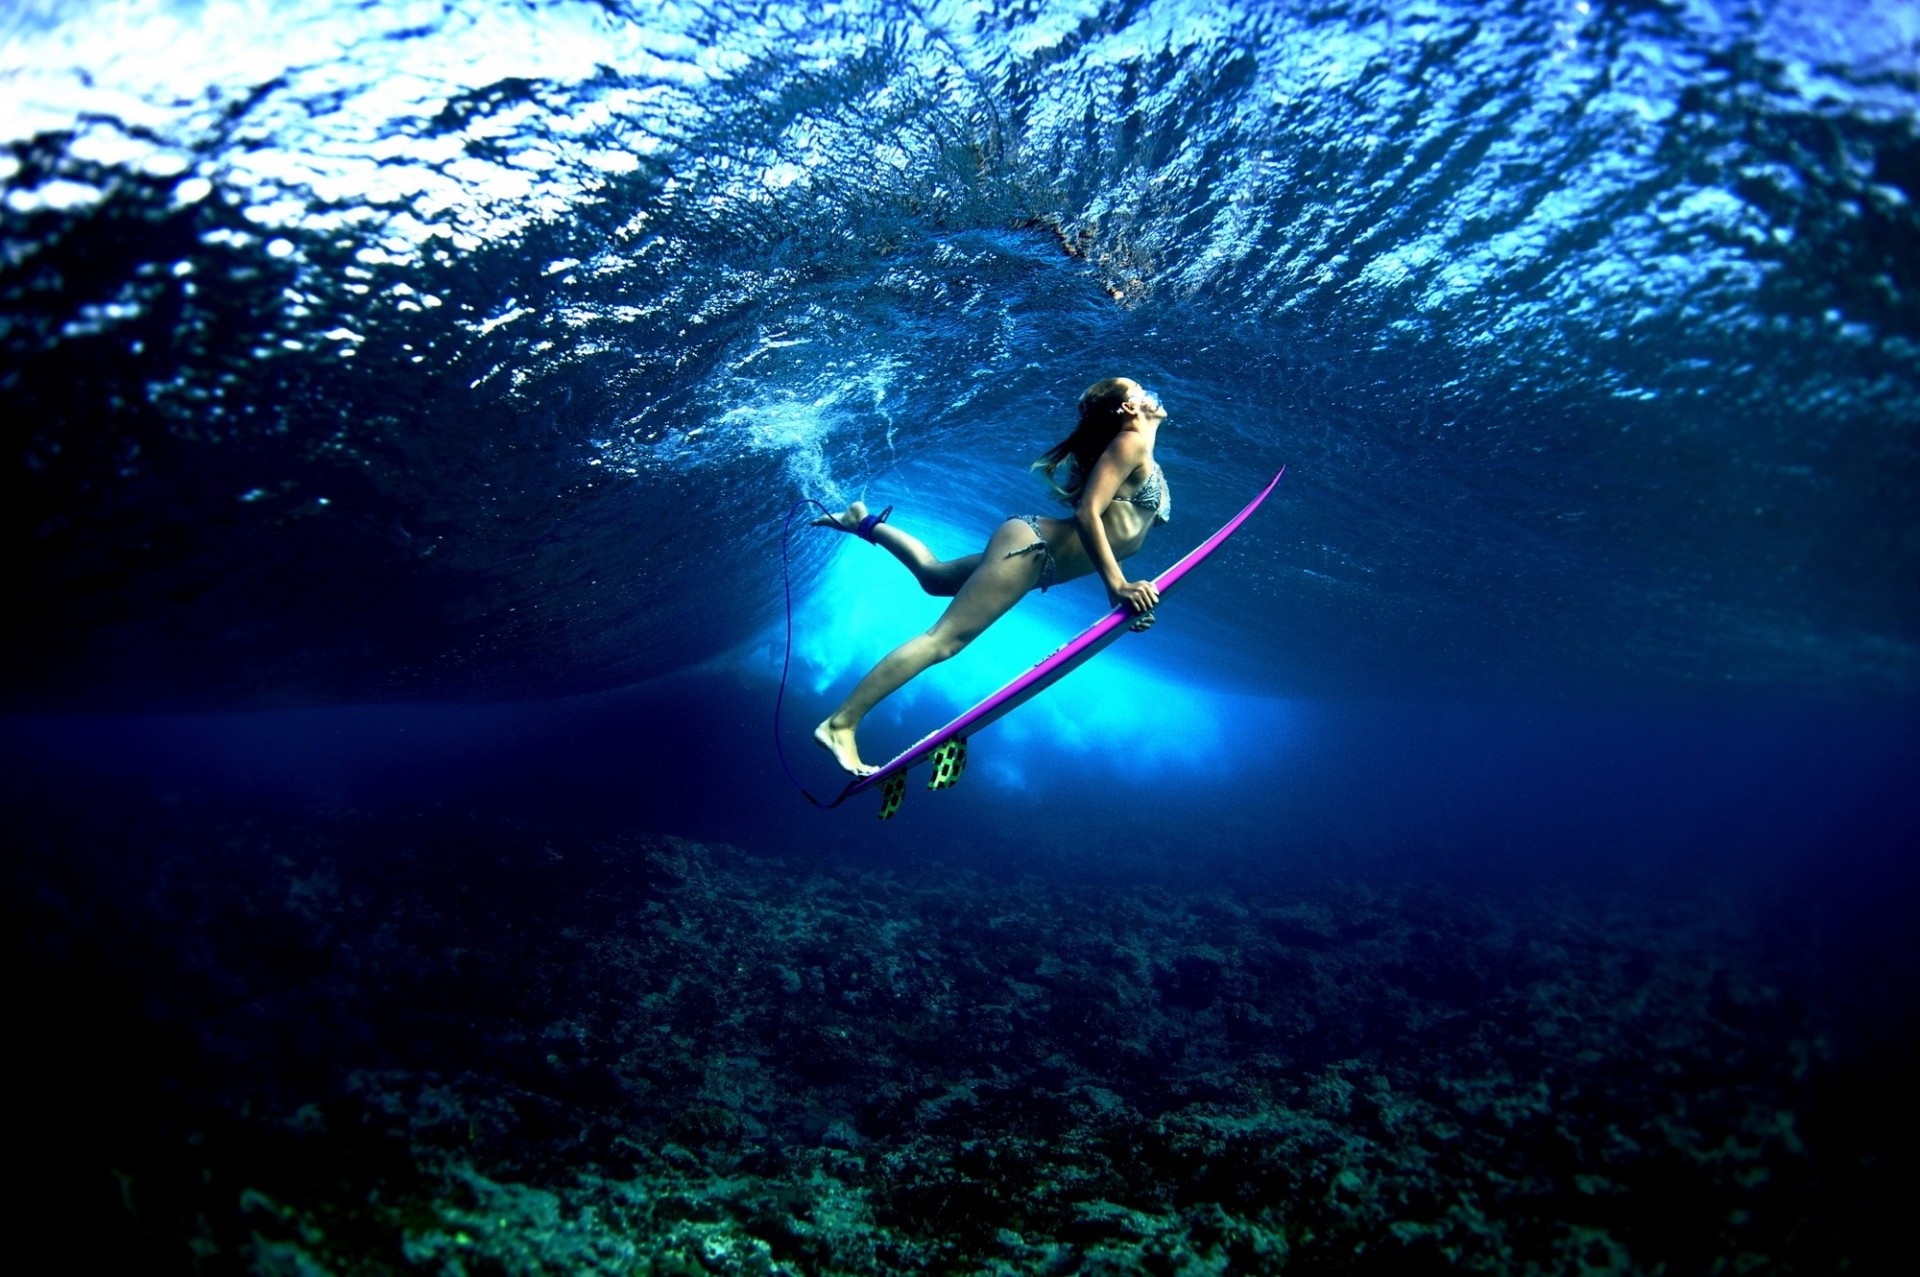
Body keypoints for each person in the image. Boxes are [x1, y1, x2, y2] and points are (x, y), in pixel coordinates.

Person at [811, 377, 1173, 776]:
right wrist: (1118, 585)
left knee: (934, 577)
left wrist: (1125, 592)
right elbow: (1089, 513)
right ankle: (839, 724)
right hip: (1030, 550)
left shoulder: (1141, 452)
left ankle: (862, 523)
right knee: (943, 642)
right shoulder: (1130, 442)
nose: (1151, 392)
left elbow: (1118, 528)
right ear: (1126, 409)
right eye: (1141, 390)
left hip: (1033, 555)